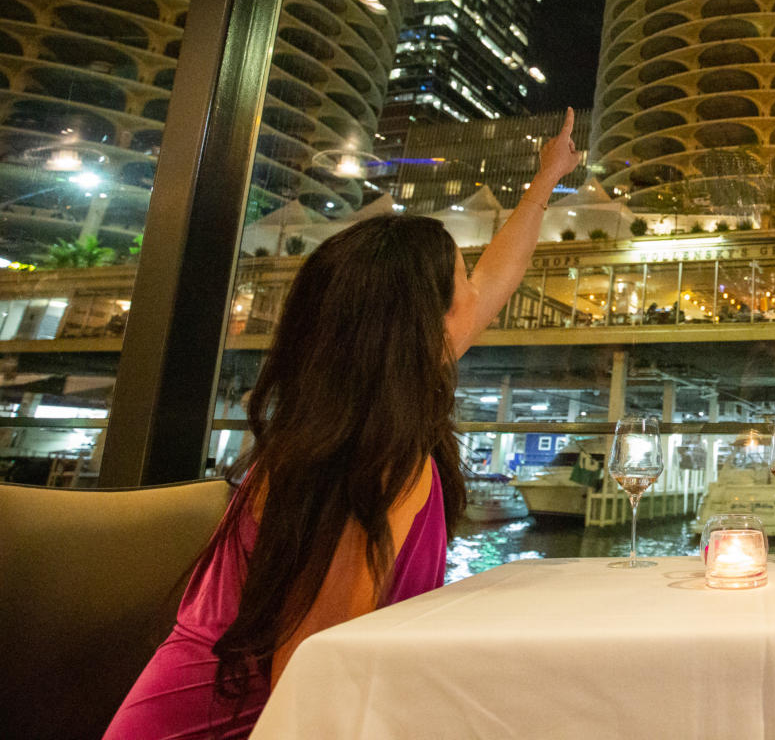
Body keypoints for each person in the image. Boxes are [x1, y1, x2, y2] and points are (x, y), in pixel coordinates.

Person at [104, 108, 581, 740]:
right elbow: (313, 688)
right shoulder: (373, 459)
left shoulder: (352, 428)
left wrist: (546, 181)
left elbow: (499, 274)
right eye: (463, 280)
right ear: (421, 324)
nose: (480, 294)